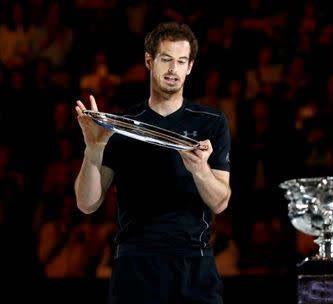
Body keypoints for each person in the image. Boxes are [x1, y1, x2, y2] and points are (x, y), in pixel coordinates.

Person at [74, 22, 232, 304]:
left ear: (190, 67)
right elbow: (87, 203)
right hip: (135, 264)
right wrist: (94, 148)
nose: (173, 69)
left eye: (181, 61)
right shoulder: (122, 126)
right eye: (166, 59)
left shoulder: (211, 122)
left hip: (192, 264)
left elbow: (220, 201)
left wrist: (199, 169)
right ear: (149, 61)